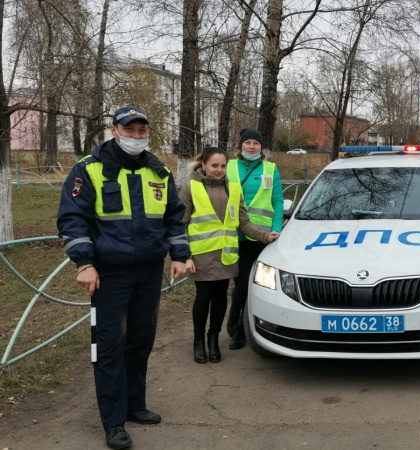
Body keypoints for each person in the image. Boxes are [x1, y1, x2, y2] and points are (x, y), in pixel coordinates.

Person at [57, 106, 189, 449]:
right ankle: (113, 422)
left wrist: (180, 256)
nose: (136, 136)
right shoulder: (89, 170)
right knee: (108, 347)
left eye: (142, 130)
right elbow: (73, 220)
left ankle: (134, 405)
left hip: (149, 272)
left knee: (141, 340)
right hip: (109, 275)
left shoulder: (158, 171)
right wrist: (84, 264)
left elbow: (174, 217)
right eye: (129, 130)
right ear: (114, 130)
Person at [179, 147, 279, 364]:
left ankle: (213, 340)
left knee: (220, 298)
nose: (219, 170)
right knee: (204, 296)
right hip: (201, 256)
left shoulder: (234, 189)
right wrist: (184, 255)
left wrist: (264, 236)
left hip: (226, 255)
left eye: (223, 166)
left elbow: (243, 223)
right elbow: (180, 224)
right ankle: (198, 341)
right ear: (203, 165)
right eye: (214, 165)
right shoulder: (190, 187)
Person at [226, 128, 284, 350]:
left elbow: (278, 202)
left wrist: (276, 229)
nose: (252, 146)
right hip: (235, 234)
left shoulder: (270, 169)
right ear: (240, 145)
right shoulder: (229, 166)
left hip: (262, 237)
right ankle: (236, 325)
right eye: (247, 142)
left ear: (261, 147)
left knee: (258, 283)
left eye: (256, 143)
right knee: (241, 283)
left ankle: (242, 327)